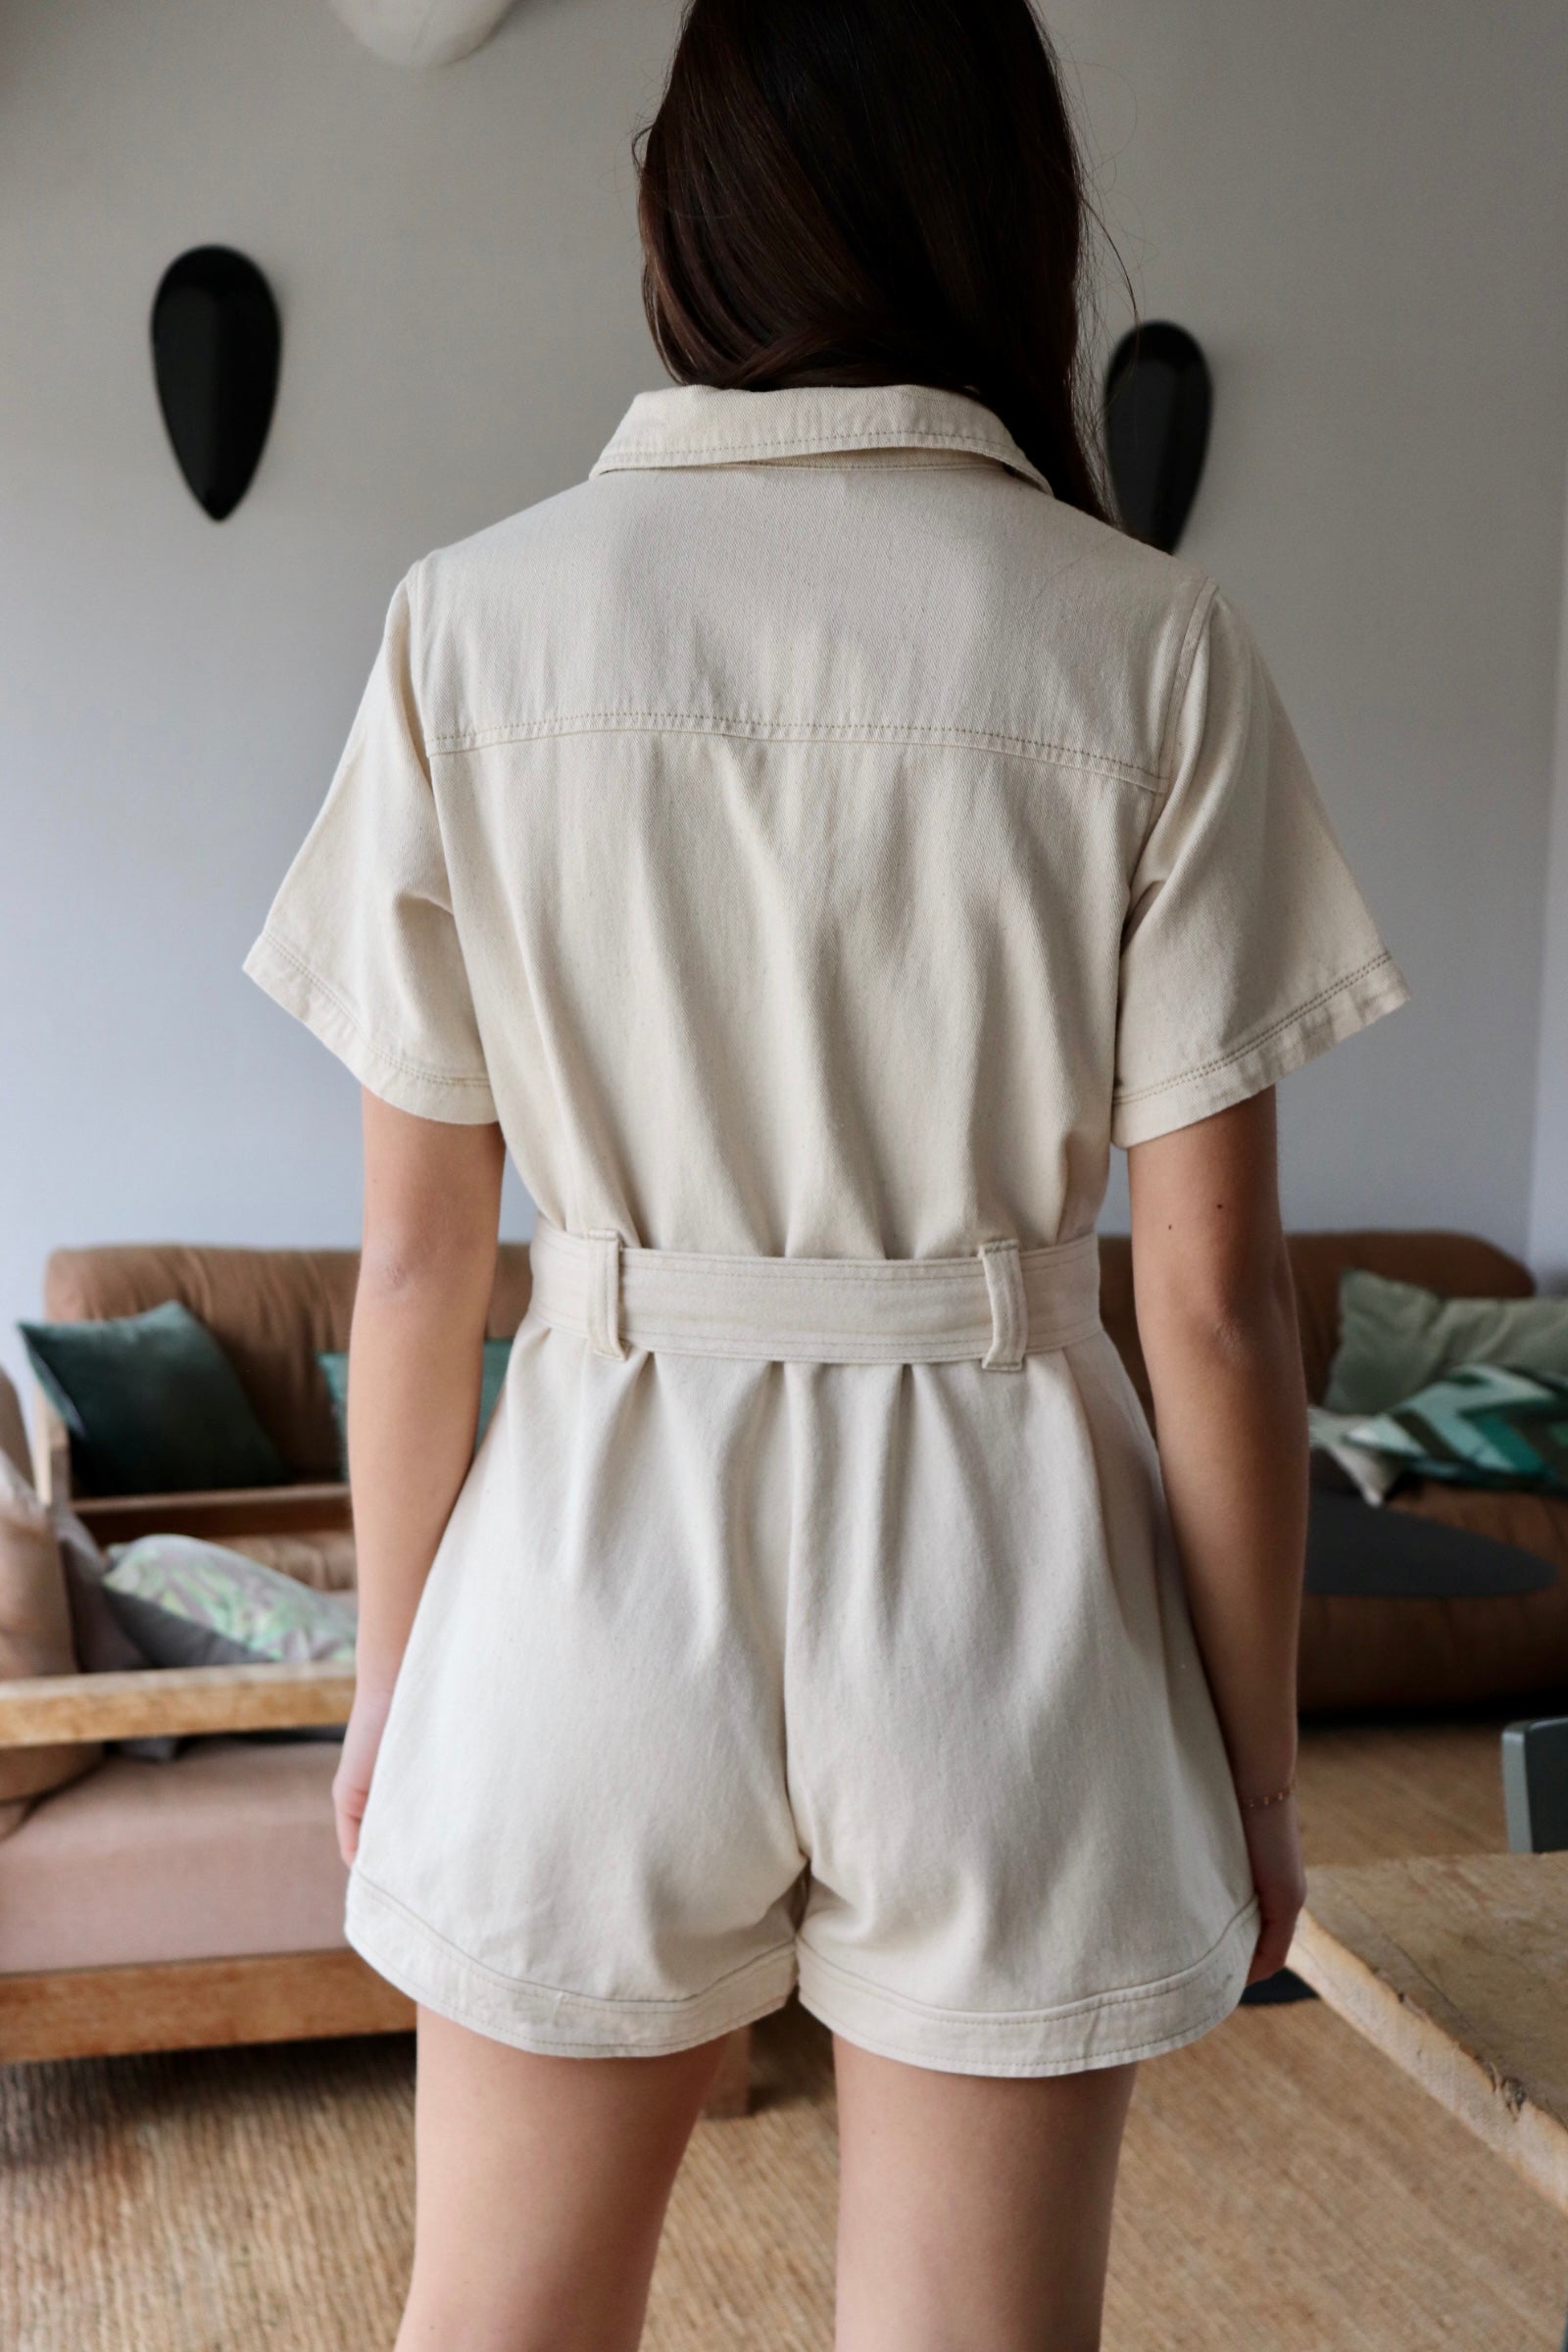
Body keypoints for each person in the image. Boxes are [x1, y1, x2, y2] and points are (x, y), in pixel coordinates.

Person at [246, 2, 1408, 2343]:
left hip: (583, 1570)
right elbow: (1209, 1309)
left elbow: (418, 1271)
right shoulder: (1148, 643)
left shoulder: (468, 625)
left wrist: (394, 1684)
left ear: (673, 213)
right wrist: (1256, 1772)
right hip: (1006, 1595)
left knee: (497, 2325)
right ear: (1007, 218)